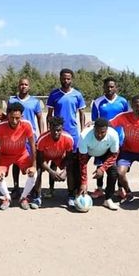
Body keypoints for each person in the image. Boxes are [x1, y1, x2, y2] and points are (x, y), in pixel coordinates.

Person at [46, 68, 86, 198]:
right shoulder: (54, 94)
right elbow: (49, 115)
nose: (66, 80)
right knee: (53, 159)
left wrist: (82, 130)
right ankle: (51, 189)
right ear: (60, 78)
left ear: (71, 79)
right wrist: (49, 130)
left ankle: (72, 191)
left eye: (68, 78)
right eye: (63, 78)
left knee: (72, 162)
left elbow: (82, 113)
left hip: (73, 133)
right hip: (57, 132)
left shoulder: (77, 95)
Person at [89, 77, 128, 197]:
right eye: (107, 86)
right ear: (104, 87)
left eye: (112, 86)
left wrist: (127, 136)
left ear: (116, 87)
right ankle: (99, 188)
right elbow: (94, 121)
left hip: (119, 138)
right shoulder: (98, 102)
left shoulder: (123, 101)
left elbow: (127, 119)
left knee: (116, 165)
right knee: (100, 164)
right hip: (102, 139)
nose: (109, 89)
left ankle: (120, 188)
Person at [0, 102, 37, 210]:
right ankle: (7, 198)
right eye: (12, 117)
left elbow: (33, 146)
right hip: (5, 155)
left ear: (21, 116)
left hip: (21, 155)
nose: (14, 121)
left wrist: (34, 165)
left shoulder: (27, 125)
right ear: (7, 115)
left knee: (33, 174)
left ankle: (24, 198)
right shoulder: (0, 126)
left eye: (17, 118)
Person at [7, 77, 44, 199]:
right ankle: (16, 187)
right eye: (21, 84)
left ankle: (32, 188)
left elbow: (39, 118)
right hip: (15, 136)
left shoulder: (34, 102)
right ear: (18, 86)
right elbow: (7, 117)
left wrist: (42, 135)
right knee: (16, 162)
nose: (23, 86)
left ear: (29, 87)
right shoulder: (11, 100)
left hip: (30, 136)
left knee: (32, 161)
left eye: (26, 84)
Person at [78, 118, 120, 210]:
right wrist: (84, 182)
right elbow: (83, 161)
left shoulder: (113, 135)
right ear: (93, 129)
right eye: (97, 132)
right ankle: (78, 193)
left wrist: (102, 168)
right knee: (77, 168)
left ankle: (108, 199)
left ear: (107, 130)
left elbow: (114, 155)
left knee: (114, 172)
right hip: (88, 152)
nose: (99, 135)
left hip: (105, 152)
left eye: (103, 132)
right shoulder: (84, 136)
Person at [34, 116, 75, 209]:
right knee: (38, 170)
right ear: (49, 128)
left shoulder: (68, 138)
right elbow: (40, 160)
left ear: (62, 128)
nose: (56, 132)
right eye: (53, 130)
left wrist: (65, 171)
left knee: (71, 169)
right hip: (46, 157)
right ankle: (37, 196)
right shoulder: (42, 139)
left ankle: (71, 195)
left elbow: (69, 159)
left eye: (59, 130)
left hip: (59, 156)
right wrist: (51, 171)